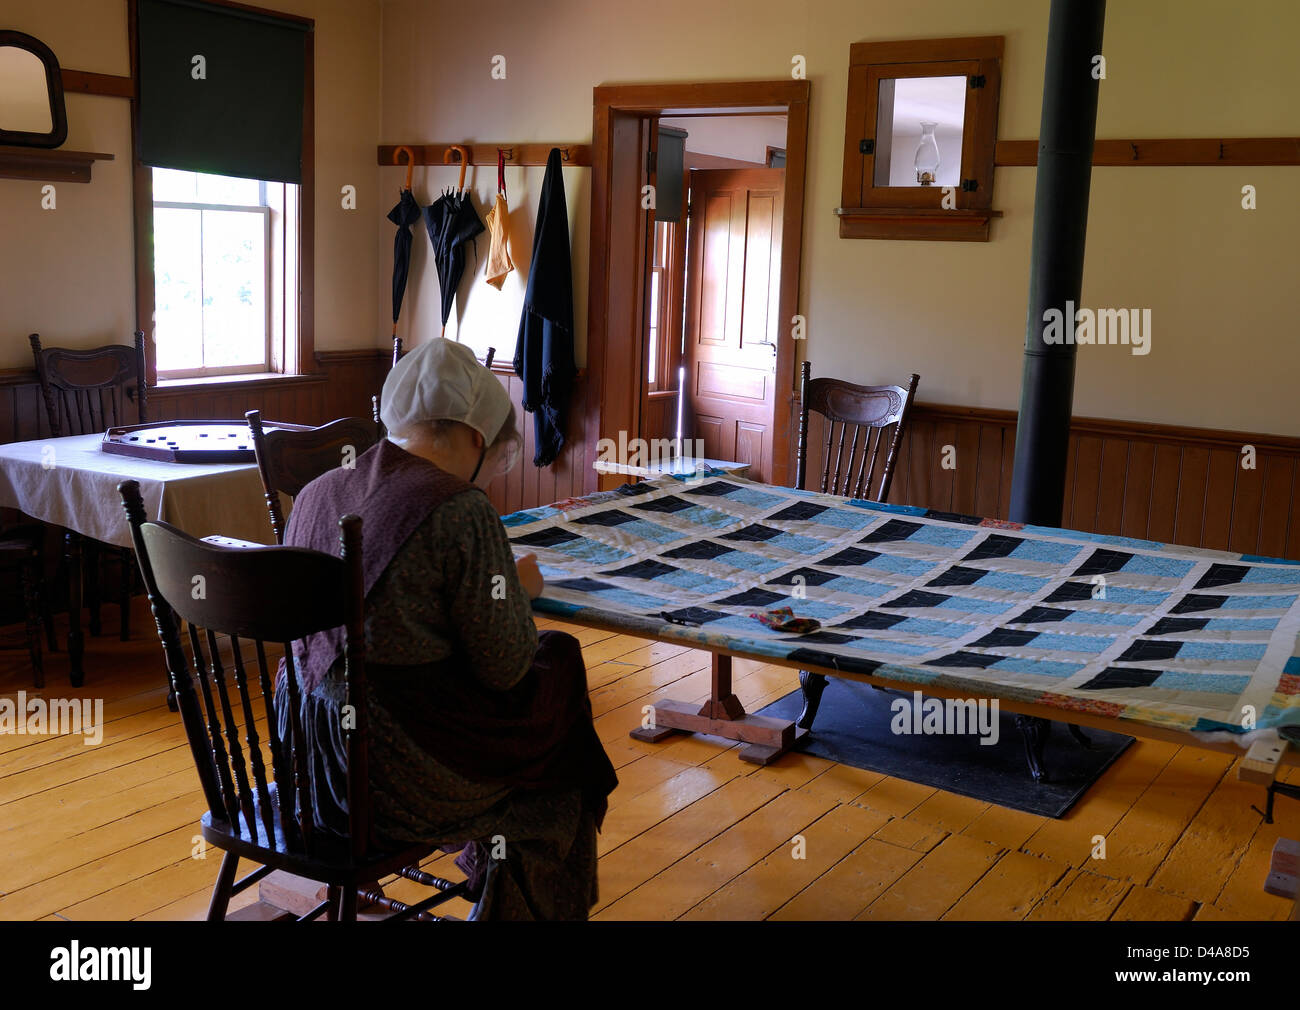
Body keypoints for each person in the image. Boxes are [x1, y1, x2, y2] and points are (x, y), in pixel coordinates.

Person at [275, 337, 617, 920]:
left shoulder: (317, 492)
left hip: (303, 762)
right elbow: (506, 668)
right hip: (388, 781)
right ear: (478, 436)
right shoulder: (458, 508)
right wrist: (515, 588)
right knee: (562, 748)